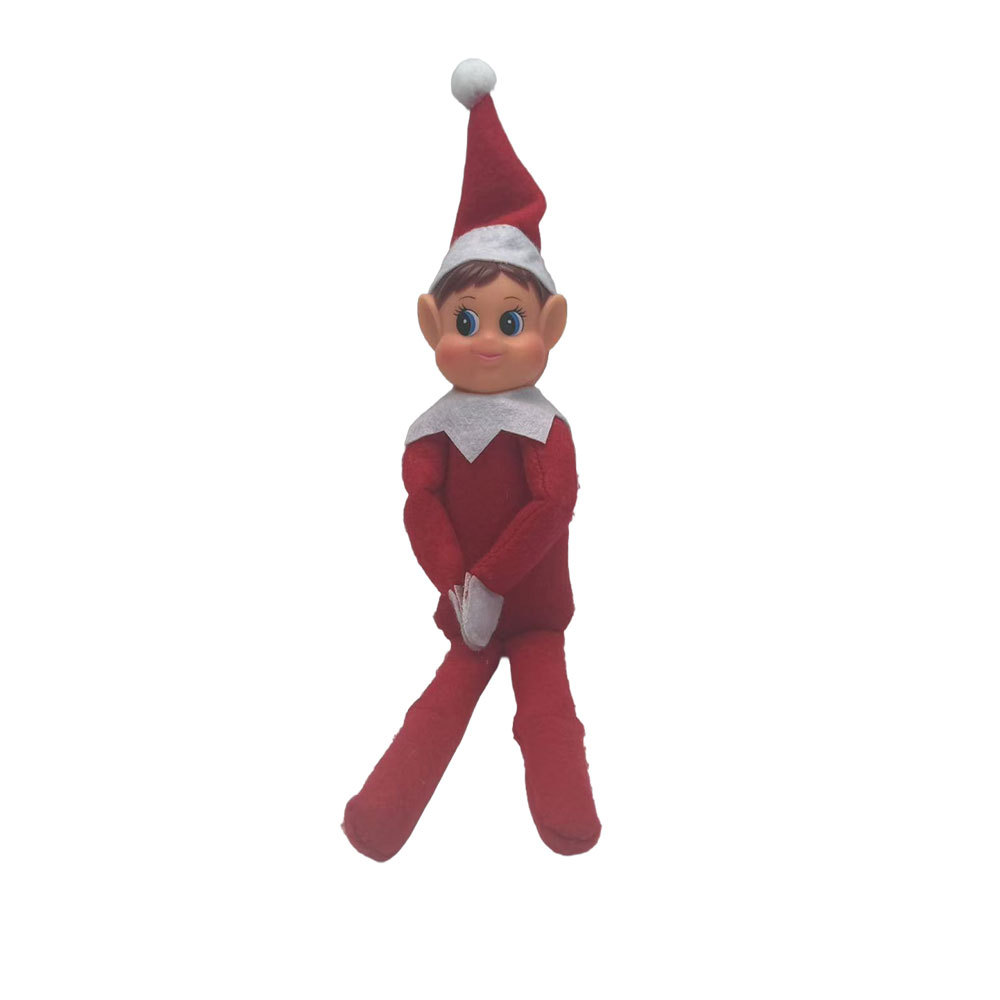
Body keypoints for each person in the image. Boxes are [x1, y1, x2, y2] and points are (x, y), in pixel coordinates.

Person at [342, 59, 601, 860]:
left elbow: (551, 508)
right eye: (466, 320)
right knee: (441, 704)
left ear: (550, 326)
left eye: (510, 321)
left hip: (532, 607)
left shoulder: (545, 429)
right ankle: (381, 811)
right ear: (432, 324)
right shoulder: (430, 431)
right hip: (464, 608)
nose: (486, 340)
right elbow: (420, 507)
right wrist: (458, 587)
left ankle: (566, 806)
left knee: (547, 706)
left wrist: (489, 582)